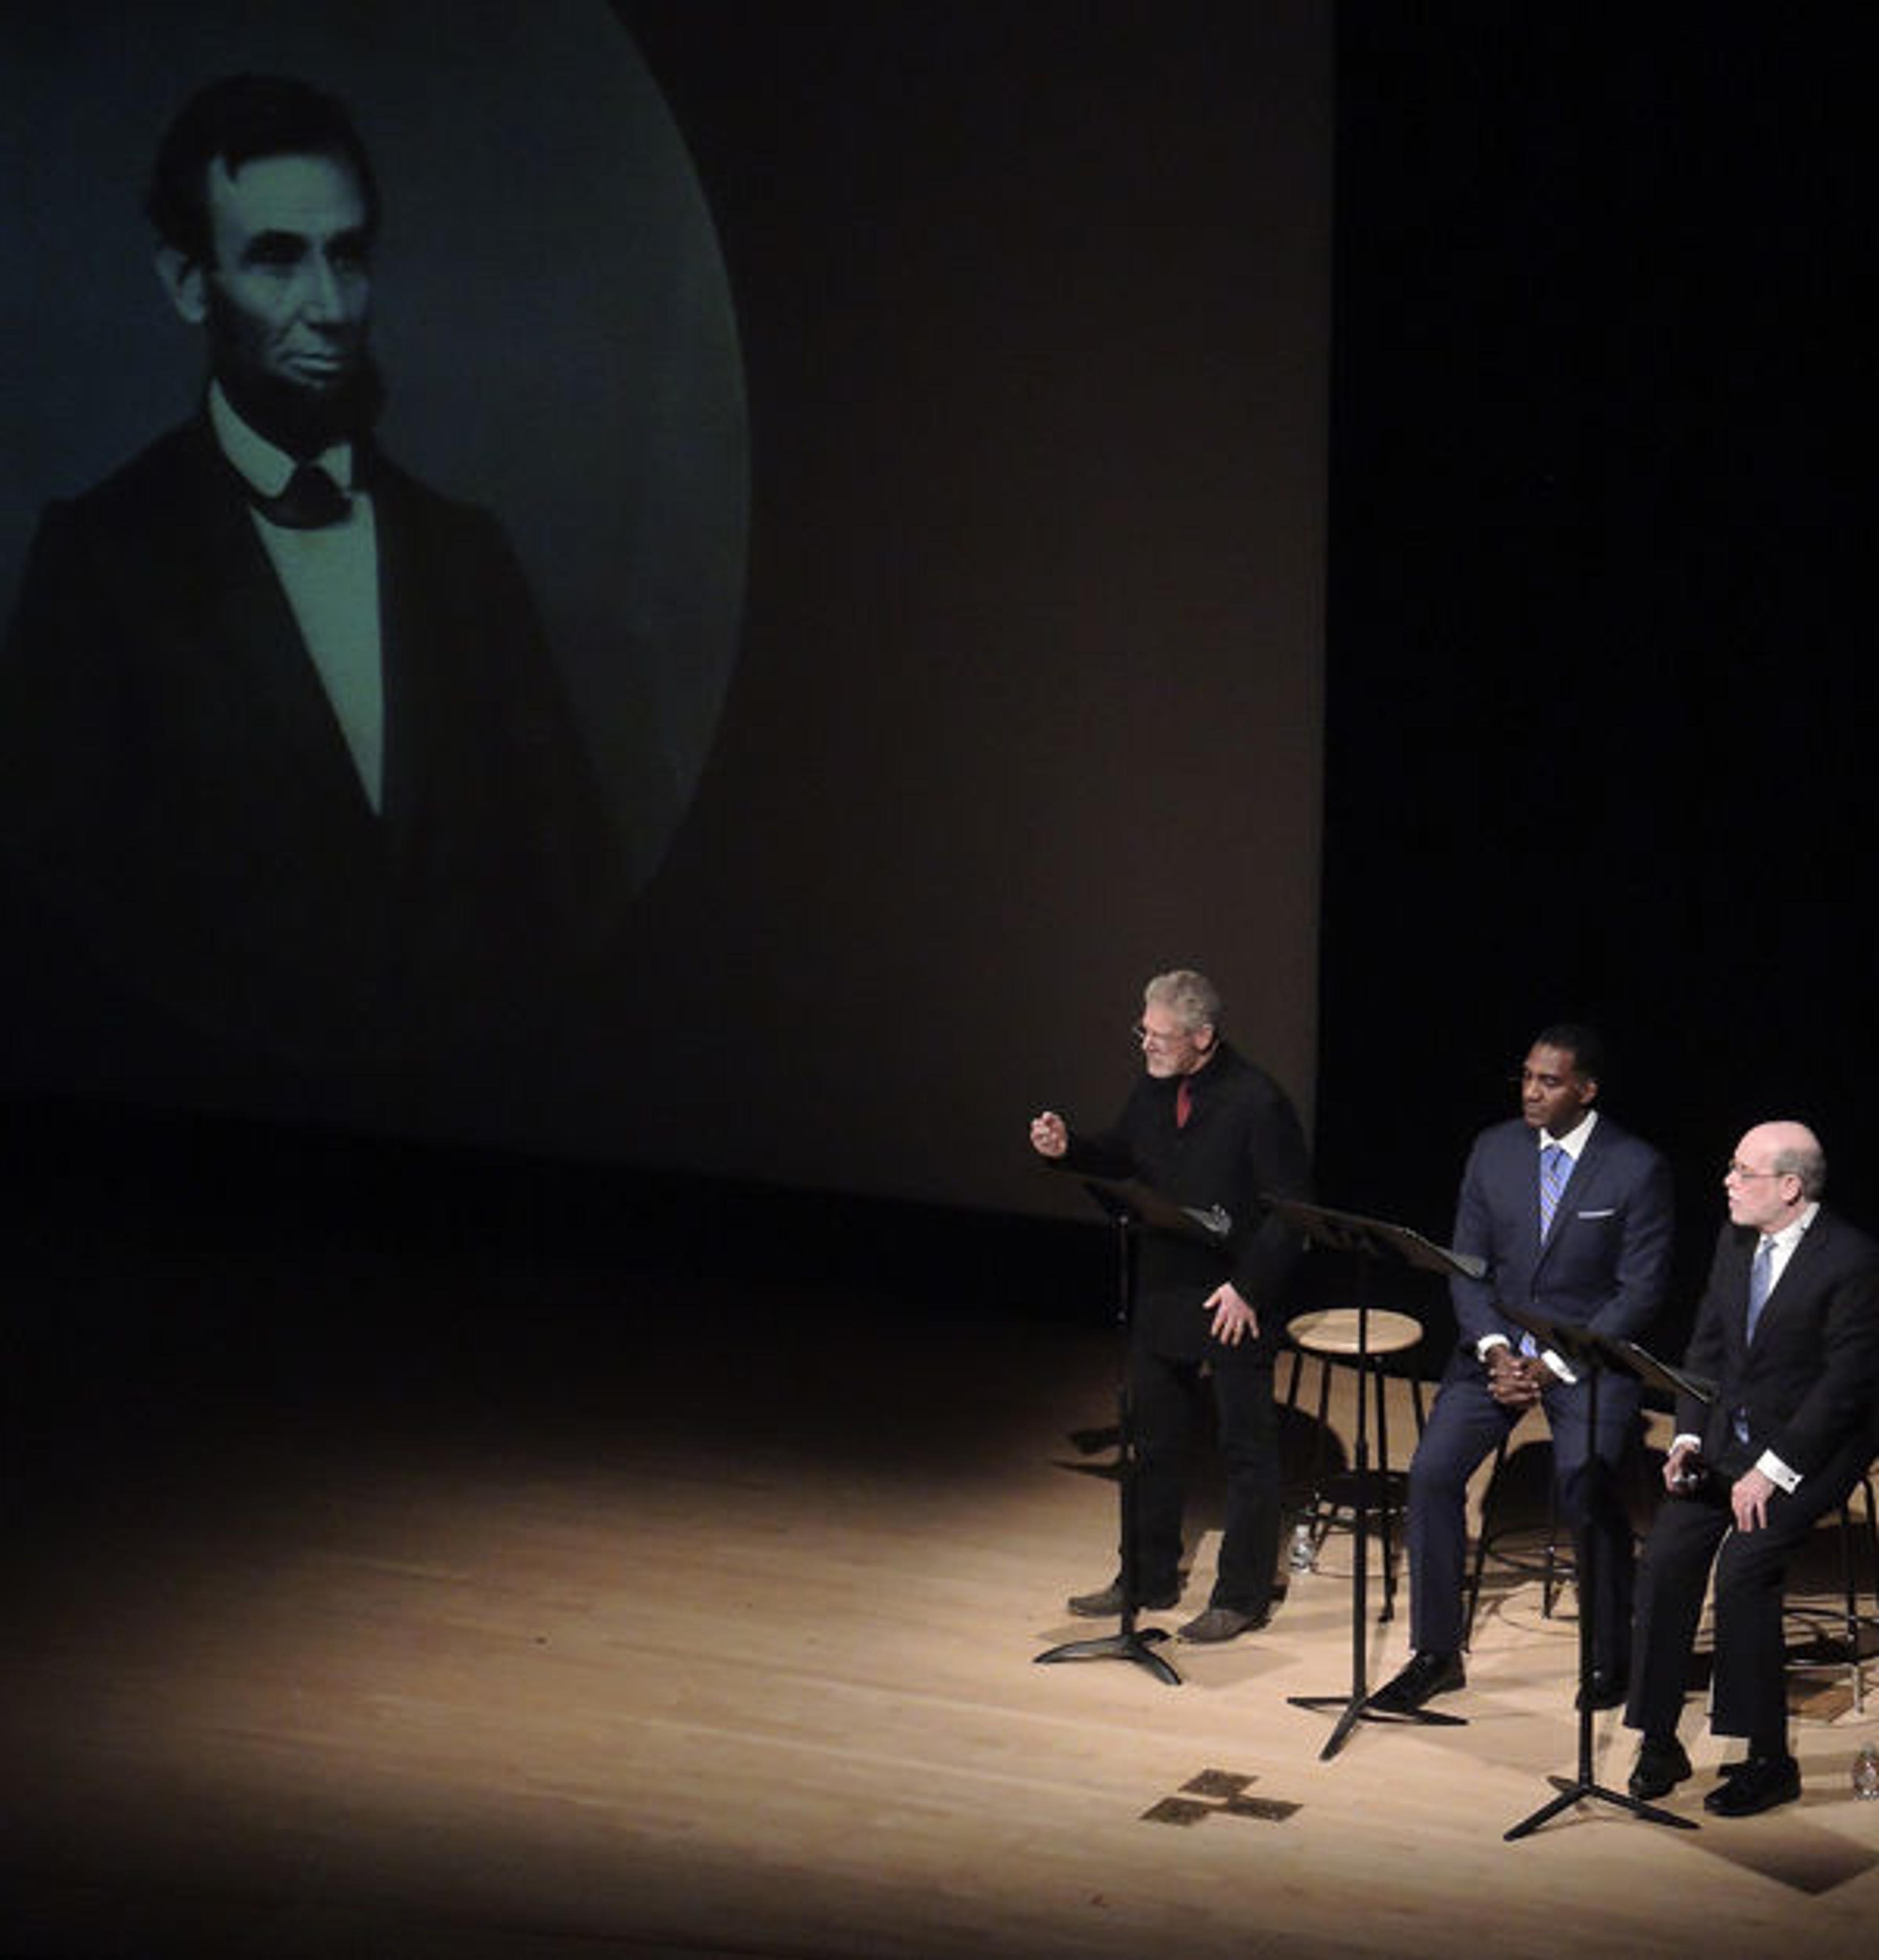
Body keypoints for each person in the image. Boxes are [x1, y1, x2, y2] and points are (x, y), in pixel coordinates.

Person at [0, 74, 618, 1108]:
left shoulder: (471, 559)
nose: (329, 308)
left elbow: (580, 903)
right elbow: (49, 957)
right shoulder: (101, 561)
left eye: (349, 255)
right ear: (190, 283)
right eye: (279, 258)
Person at [1368, 1024, 1673, 1714]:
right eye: (1527, 1077)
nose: (1531, 1092)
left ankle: (1609, 1656)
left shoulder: (1635, 1166)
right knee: (1432, 1473)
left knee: (1585, 1487)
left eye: (1550, 1081)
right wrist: (1497, 1351)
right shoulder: (1494, 1149)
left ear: (1586, 1090)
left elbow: (1641, 1290)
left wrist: (1552, 1362)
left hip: (1586, 1360)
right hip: (1497, 1351)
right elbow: (1468, 1266)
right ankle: (1436, 1652)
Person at [1029, 969, 1311, 1642]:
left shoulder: (1257, 1100)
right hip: (1166, 1286)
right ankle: (1146, 1576)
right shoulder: (1154, 1090)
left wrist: (1248, 1287)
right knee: (1152, 1439)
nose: (1146, 1046)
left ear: (1203, 1037)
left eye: (1158, 1036)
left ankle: (1240, 1596)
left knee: (1246, 1451)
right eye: (1143, 1032)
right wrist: (1072, 1150)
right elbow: (1123, 1154)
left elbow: (1290, 1213)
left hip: (1234, 1295)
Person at [1624, 1122, 1879, 1816]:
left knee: (1745, 1564)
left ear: (1790, 1186)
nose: (1727, 1182)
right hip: (1730, 1439)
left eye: (1743, 1171)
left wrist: (1772, 1469)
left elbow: (1843, 1389)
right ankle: (1658, 1737)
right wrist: (1685, 1439)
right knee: (1670, 1551)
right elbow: (1704, 1348)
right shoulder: (1736, 1238)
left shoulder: (1852, 1259)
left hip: (1811, 1447)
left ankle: (1768, 1756)